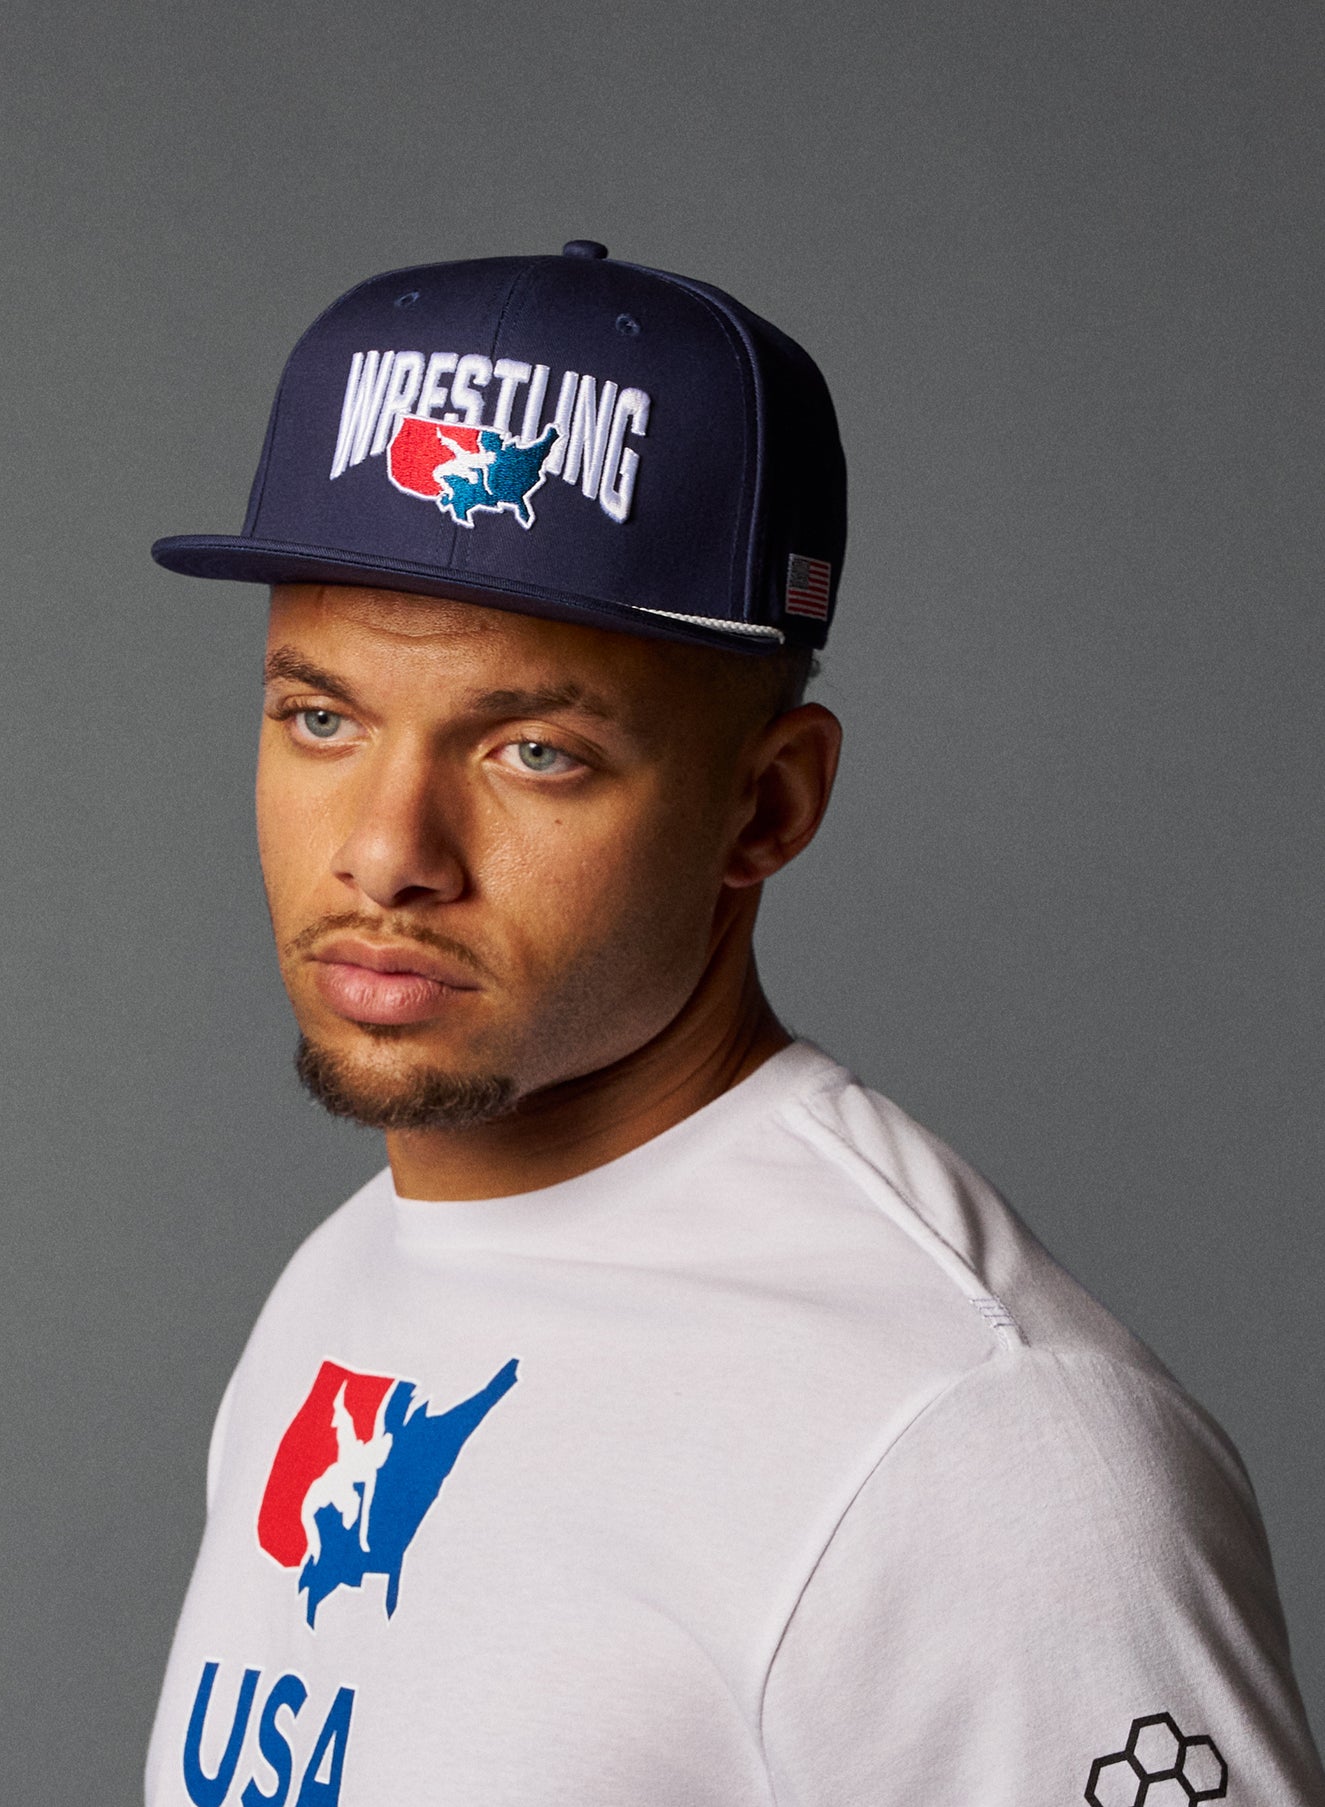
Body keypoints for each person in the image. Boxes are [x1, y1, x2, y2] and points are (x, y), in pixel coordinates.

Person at [145, 241, 1324, 1807]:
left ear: (765, 805)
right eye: (322, 718)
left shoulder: (982, 1444)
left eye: (535, 752)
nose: (386, 851)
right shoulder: (345, 1281)